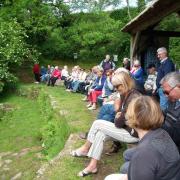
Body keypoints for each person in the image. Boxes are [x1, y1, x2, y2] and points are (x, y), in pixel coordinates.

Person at [71, 72, 140, 177]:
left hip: (133, 134)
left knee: (97, 123)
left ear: (125, 83)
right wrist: (119, 114)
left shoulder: (134, 97)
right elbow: (119, 115)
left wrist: (119, 115)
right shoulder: (124, 94)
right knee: (100, 134)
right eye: (114, 87)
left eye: (117, 86)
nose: (116, 89)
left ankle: (85, 148)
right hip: (125, 128)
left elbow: (118, 122)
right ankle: (92, 166)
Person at [105, 96, 180, 180]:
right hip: (172, 173)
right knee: (127, 154)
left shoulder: (143, 153)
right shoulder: (162, 132)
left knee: (109, 177)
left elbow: (146, 155)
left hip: (156, 167)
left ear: (131, 117)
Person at [160, 72, 180, 152]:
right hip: (166, 141)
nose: (165, 95)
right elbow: (165, 114)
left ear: (178, 87)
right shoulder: (173, 100)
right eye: (164, 92)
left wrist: (153, 121)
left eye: (167, 92)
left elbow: (176, 135)